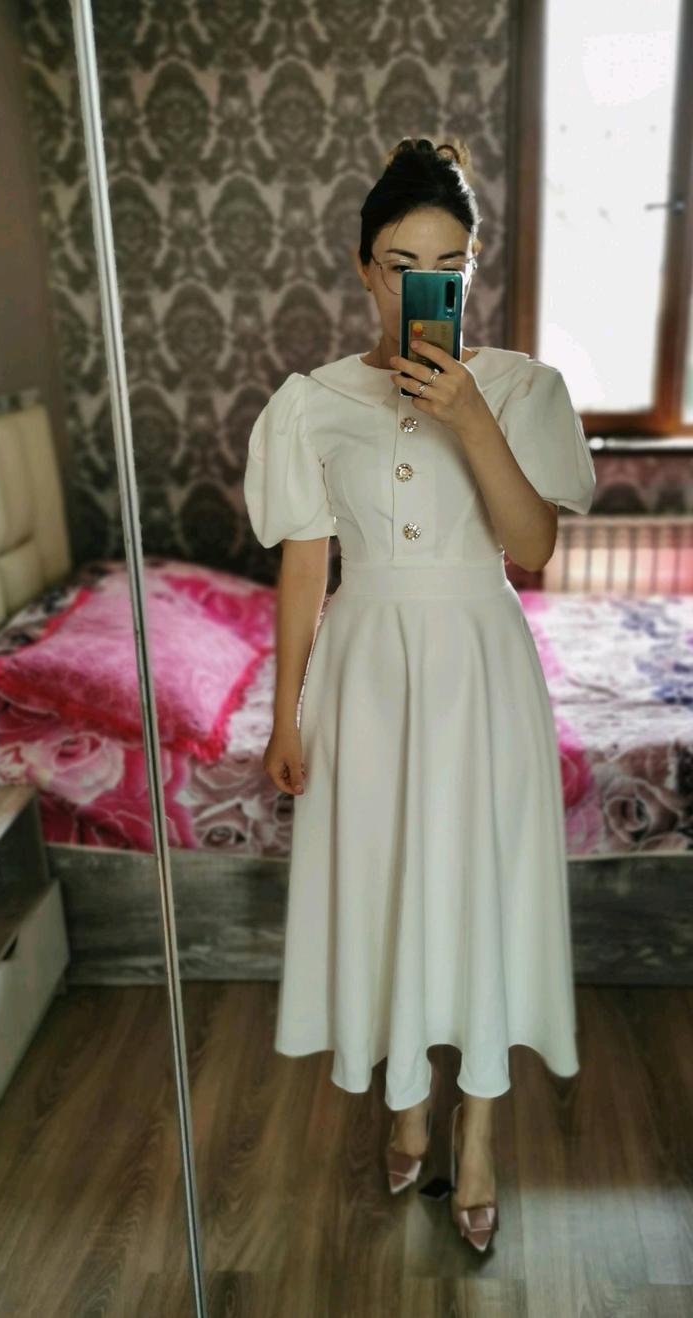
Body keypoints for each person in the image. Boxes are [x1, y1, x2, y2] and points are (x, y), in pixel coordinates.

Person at [243, 137, 596, 1253]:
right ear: (364, 268)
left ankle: (476, 1132)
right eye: (400, 266)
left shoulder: (523, 389)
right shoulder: (312, 404)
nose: (422, 287)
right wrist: (285, 711)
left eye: (448, 265)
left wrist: (472, 418)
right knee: (388, 881)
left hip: (481, 669)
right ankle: (404, 1101)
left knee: (481, 889)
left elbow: (533, 547)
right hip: (365, 678)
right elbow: (306, 567)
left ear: (472, 268)